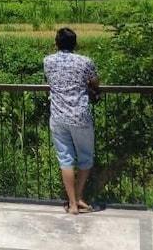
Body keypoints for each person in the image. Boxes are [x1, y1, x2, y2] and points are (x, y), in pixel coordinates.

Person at [43, 27, 100, 214]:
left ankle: (72, 204)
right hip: (80, 116)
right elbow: (95, 83)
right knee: (85, 157)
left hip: (58, 116)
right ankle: (79, 196)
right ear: (75, 44)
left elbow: (49, 81)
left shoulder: (48, 61)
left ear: (56, 43)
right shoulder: (85, 62)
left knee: (65, 159)